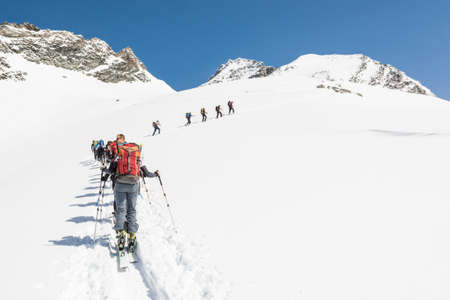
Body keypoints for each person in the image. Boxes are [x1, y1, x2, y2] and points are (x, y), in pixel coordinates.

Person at [102, 134, 159, 252]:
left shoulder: (118, 156)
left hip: (119, 184)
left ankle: (121, 234)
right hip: (133, 185)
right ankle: (132, 236)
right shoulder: (138, 157)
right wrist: (156, 174)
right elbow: (147, 173)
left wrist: (103, 170)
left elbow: (111, 170)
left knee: (120, 209)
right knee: (131, 210)